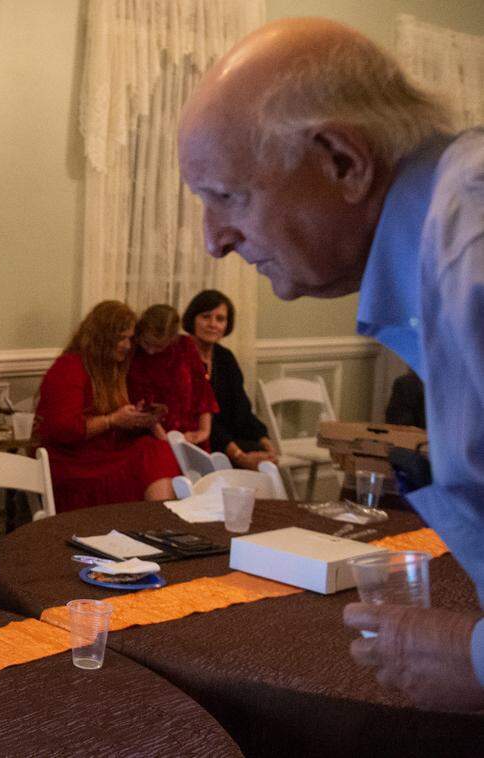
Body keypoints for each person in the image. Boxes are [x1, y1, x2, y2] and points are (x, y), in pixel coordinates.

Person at [179, 17, 484, 710]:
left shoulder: (473, 251)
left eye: (227, 196)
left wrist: (473, 659)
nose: (214, 241)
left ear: (344, 160)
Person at [34, 301, 179, 512]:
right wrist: (113, 420)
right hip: (71, 465)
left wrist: (136, 420)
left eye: (130, 338)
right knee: (152, 454)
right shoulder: (69, 367)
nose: (128, 346)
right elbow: (63, 429)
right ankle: (161, 524)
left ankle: (159, 523)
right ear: (103, 337)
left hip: (98, 457)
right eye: (122, 338)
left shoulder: (108, 370)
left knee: (153, 449)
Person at [183, 290, 278, 470]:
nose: (212, 324)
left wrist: (264, 440)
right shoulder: (181, 355)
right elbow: (196, 418)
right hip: (198, 438)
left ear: (227, 325)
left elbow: (241, 408)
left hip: (226, 439)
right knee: (253, 465)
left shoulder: (225, 357)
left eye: (220, 319)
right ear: (192, 319)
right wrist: (237, 454)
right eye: (205, 317)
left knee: (267, 461)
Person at [127, 303, 218, 449]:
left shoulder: (185, 346)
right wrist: (168, 442)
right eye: (146, 343)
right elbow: (143, 405)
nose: (150, 351)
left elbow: (203, 392)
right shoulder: (135, 354)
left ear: (172, 339)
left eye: (159, 346)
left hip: (191, 434)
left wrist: (203, 432)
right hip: (154, 436)